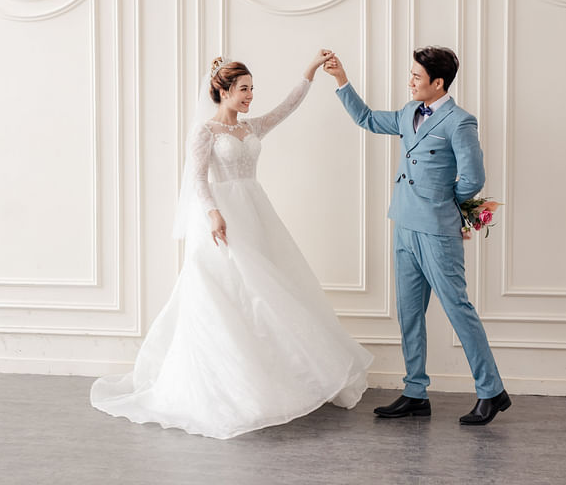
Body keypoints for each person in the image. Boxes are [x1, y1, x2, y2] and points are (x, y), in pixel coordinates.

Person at [90, 50, 373, 439]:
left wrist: (309, 71)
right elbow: (197, 178)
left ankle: (273, 377)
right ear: (222, 91)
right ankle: (230, 387)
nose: (250, 96)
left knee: (265, 292)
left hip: (255, 215)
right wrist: (212, 213)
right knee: (223, 294)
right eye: (243, 89)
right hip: (221, 219)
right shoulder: (204, 132)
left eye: (252, 89)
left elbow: (288, 106)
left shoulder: (251, 127)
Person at [325, 47, 510, 425]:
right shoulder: (409, 112)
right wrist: (341, 80)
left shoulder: (460, 122)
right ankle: (415, 392)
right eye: (410, 74)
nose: (409, 81)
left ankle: (491, 391)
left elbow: (474, 179)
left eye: (416, 76)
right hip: (404, 224)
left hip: (438, 230)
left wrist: (444, 203)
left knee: (458, 308)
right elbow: (367, 118)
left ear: (438, 83)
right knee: (409, 313)